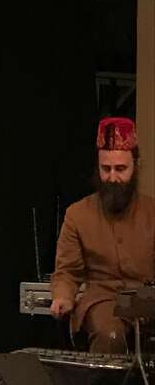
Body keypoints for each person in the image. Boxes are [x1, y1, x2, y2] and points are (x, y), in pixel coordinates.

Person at [50, 117, 155, 353]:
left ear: (136, 166)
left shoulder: (152, 213)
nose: (112, 178)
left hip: (146, 301)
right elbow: (67, 272)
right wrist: (63, 296)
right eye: (105, 169)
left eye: (121, 169)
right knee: (110, 334)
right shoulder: (77, 214)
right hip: (102, 300)